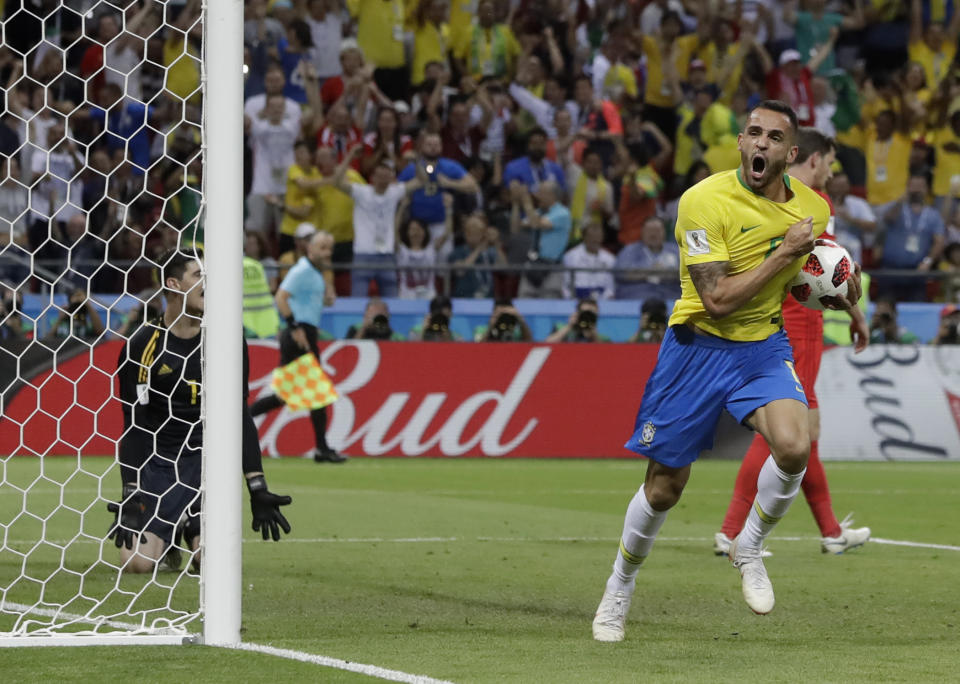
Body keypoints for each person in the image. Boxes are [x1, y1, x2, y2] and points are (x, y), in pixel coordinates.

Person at [591, 101, 863, 642]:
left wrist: (835, 294)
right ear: (740, 142)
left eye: (775, 137)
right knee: (666, 488)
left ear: (792, 153)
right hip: (697, 347)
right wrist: (785, 253)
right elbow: (716, 299)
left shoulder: (813, 208)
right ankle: (619, 586)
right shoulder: (702, 200)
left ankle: (750, 545)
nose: (762, 144)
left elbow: (800, 277)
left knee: (793, 446)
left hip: (761, 346)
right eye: (754, 134)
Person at [714, 127, 871, 560]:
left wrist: (854, 313)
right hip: (793, 327)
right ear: (815, 159)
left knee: (805, 435)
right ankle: (732, 531)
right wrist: (856, 313)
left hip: (810, 325)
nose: (833, 171)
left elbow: (827, 268)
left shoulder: (814, 204)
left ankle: (831, 531)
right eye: (831, 162)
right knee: (782, 432)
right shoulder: (799, 202)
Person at [109, 248, 293, 574]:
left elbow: (238, 414)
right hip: (160, 465)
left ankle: (189, 527)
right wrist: (131, 493)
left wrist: (257, 486)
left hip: (208, 467)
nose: (209, 282)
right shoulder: (142, 344)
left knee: (215, 565)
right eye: (199, 275)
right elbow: (134, 424)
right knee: (137, 564)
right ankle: (165, 535)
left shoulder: (226, 338)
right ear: (174, 284)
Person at [250, 231, 343, 463]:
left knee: (287, 395)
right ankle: (322, 448)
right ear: (309, 249)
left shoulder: (314, 273)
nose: (327, 253)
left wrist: (326, 298)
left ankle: (238, 421)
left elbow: (307, 301)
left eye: (329, 248)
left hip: (303, 331)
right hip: (299, 333)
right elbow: (281, 297)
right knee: (315, 393)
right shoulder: (302, 270)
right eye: (322, 247)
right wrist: (294, 327)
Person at [333, 145, 429, 297]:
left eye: (387, 175)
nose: (384, 178)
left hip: (387, 255)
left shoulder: (394, 192)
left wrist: (417, 162)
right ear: (373, 177)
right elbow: (337, 181)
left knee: (391, 302)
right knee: (358, 300)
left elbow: (422, 180)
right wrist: (350, 155)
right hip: (363, 254)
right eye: (380, 175)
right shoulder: (361, 192)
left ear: (392, 177)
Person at [877, 173, 945, 301]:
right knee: (885, 308)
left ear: (927, 190)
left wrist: (928, 261)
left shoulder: (933, 215)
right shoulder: (897, 208)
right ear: (907, 187)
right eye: (914, 186)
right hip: (891, 270)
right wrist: (901, 200)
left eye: (921, 186)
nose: (917, 190)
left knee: (916, 308)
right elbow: (887, 218)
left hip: (916, 272)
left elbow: (939, 241)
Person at [614, 216, 681, 300]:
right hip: (636, 298)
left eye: (657, 231)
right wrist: (651, 271)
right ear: (642, 232)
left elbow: (686, 274)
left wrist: (664, 273)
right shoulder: (629, 251)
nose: (653, 234)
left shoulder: (675, 250)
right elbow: (621, 273)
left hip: (670, 297)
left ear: (664, 232)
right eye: (649, 231)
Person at [561, 222, 615, 300]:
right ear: (584, 237)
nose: (595, 240)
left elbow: (611, 288)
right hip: (576, 300)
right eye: (591, 237)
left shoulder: (610, 259)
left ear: (602, 238)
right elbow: (566, 286)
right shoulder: (571, 256)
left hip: (602, 301)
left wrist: (603, 302)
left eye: (598, 237)